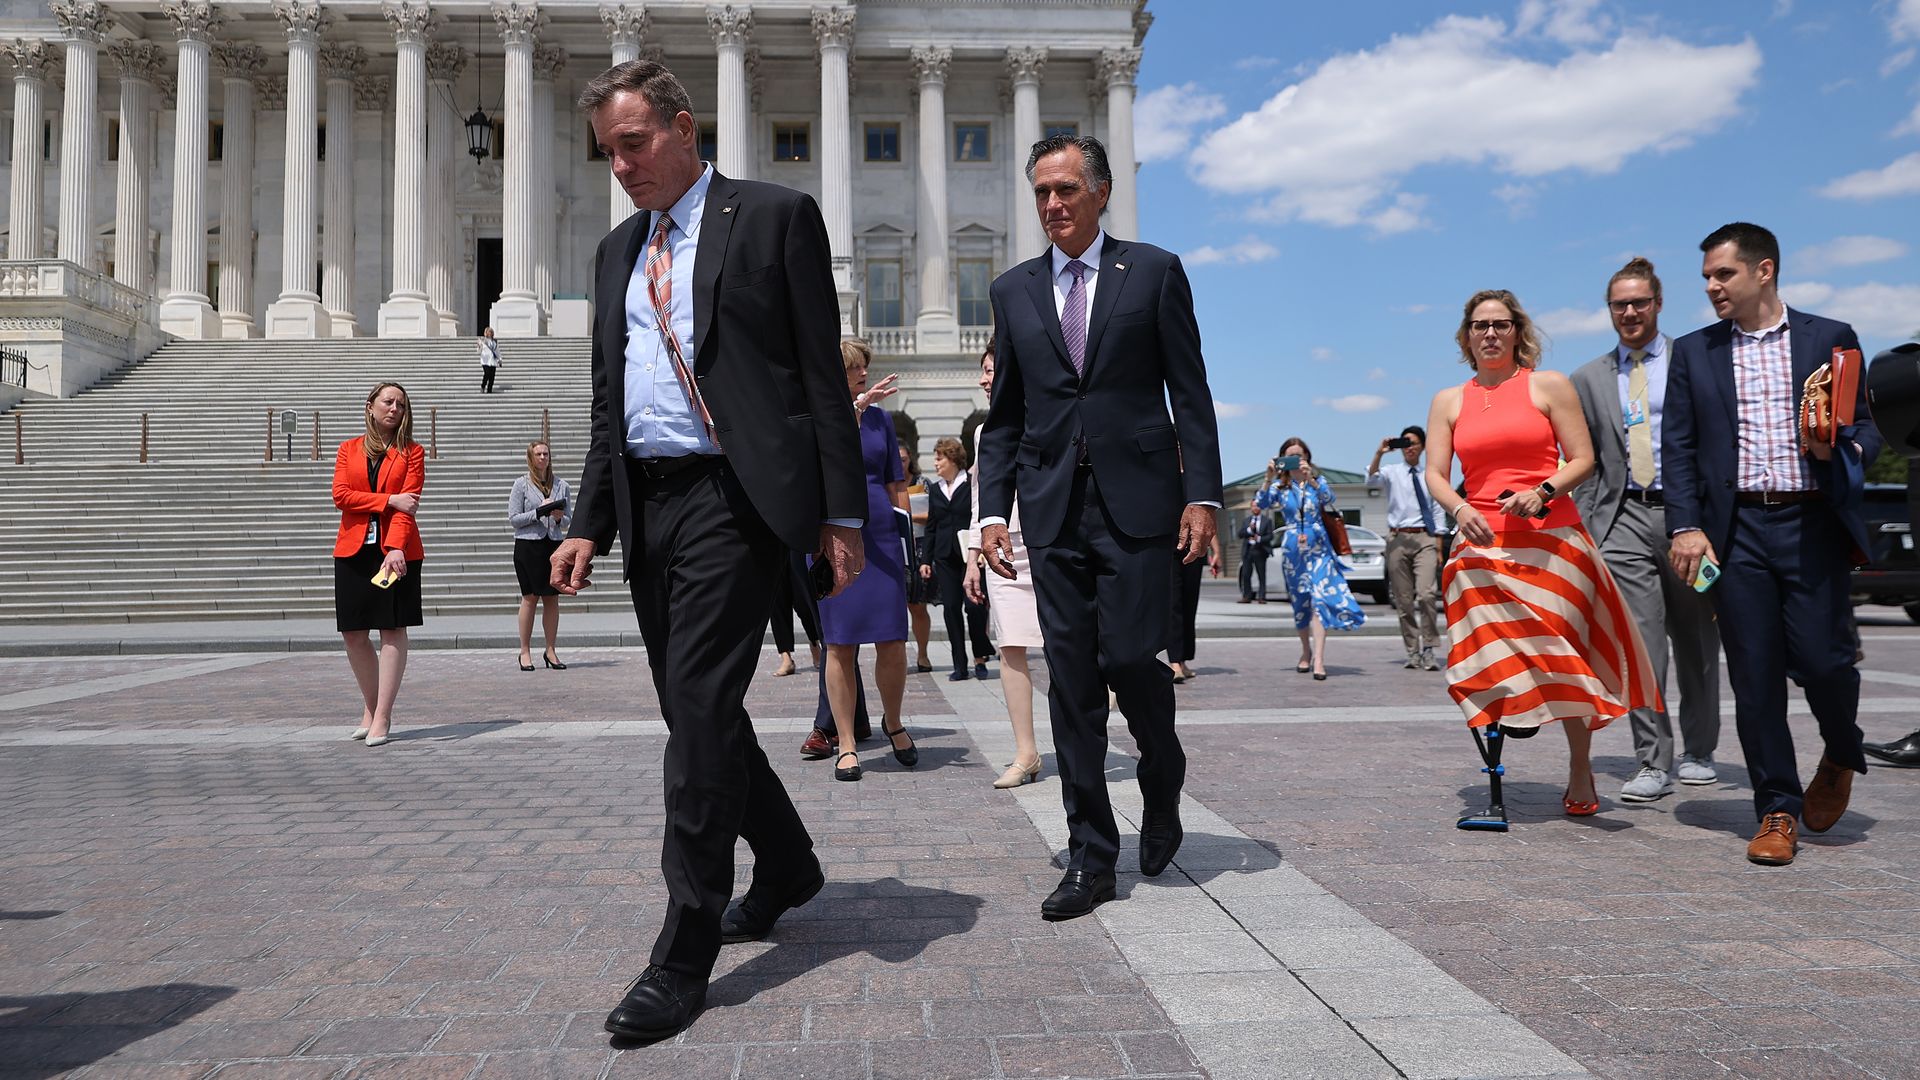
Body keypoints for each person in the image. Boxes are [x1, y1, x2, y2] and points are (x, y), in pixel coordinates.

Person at [552, 60, 866, 1042]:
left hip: (739, 497)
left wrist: (842, 514)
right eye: (609, 151)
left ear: (685, 128)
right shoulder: (614, 253)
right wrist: (587, 520)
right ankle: (786, 861)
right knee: (700, 712)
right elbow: (612, 403)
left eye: (635, 143)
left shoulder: (773, 216)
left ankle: (682, 950)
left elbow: (820, 373)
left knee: (694, 718)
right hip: (651, 506)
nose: (622, 165)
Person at [979, 133, 1222, 922]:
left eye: (1066, 190)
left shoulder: (1151, 271)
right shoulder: (1012, 290)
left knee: (1128, 656)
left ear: (1100, 192)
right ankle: (1091, 856)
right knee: (1073, 681)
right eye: (1042, 192)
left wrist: (1202, 494)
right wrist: (991, 508)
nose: (1053, 204)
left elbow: (1190, 390)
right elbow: (1006, 413)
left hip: (1141, 502)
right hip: (1050, 508)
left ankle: (1162, 770)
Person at [1664, 222, 1882, 866]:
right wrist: (1685, 524)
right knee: (1756, 681)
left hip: (1812, 525)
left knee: (1825, 663)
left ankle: (1842, 750)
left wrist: (1838, 445)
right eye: (1706, 276)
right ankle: (1777, 809)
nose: (1710, 287)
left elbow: (1867, 429)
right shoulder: (1695, 352)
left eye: (1722, 274)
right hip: (1735, 535)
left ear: (1764, 271)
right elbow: (1677, 447)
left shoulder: (1829, 337)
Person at [1424, 289, 1659, 822]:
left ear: (1518, 332)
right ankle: (1509, 722)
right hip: (1481, 542)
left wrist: (1544, 490)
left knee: (1564, 654)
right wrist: (1460, 509)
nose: (1490, 334)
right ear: (1465, 336)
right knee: (1482, 652)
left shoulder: (1546, 386)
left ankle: (1580, 764)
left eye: (1501, 325)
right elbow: (1435, 474)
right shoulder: (1449, 399)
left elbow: (1585, 458)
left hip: (1553, 540)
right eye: (1479, 325)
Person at [1569, 257, 1723, 803]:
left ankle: (1700, 750)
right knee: (1641, 645)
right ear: (1609, 310)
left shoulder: (1696, 359)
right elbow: (1582, 459)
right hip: (1622, 518)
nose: (1630, 312)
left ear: (1658, 304)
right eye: (1620, 304)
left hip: (1689, 518)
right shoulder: (1587, 378)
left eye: (1639, 302)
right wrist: (1591, 526)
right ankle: (1652, 759)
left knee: (1697, 640)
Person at [813, 338, 917, 780]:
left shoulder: (882, 420)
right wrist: (853, 410)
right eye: (857, 367)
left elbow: (897, 483)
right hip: (833, 533)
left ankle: (892, 721)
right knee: (839, 642)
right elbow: (826, 456)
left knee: (892, 640)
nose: (864, 373)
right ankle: (848, 743)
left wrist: (911, 541)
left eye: (865, 366)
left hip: (882, 536)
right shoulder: (820, 415)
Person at [963, 343, 1046, 789]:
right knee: (1011, 647)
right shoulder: (983, 432)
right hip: (1003, 551)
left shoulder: (1048, 415)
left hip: (1050, 547)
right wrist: (973, 557)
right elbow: (981, 499)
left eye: (990, 370)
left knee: (1063, 648)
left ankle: (1077, 742)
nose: (983, 379)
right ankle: (1026, 752)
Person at [331, 381, 425, 749]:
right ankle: (371, 708)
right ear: (370, 406)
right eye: (388, 402)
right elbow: (341, 496)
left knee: (391, 628)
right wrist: (389, 500)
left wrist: (395, 548)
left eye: (401, 404)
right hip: (353, 548)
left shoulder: (412, 452)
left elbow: (410, 506)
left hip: (396, 551)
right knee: (353, 633)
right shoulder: (347, 449)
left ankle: (382, 715)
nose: (394, 409)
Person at [1258, 438, 1364, 680]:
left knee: (1319, 600)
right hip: (1294, 550)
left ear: (1308, 457)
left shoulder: (1318, 483)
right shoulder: (1279, 487)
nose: (1296, 460)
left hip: (1319, 548)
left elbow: (1329, 499)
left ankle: (1319, 658)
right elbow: (1261, 503)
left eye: (1300, 455)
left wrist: (1312, 480)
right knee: (1301, 604)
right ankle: (1305, 650)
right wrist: (1268, 477)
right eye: (1290, 456)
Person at [1366, 426, 1444, 670]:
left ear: (1422, 447)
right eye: (1405, 443)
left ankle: (1429, 648)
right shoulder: (1391, 472)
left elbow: (1438, 508)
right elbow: (1370, 479)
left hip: (1425, 537)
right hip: (1398, 539)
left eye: (1415, 443)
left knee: (1427, 594)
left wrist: (1439, 544)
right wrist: (1380, 453)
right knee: (1403, 600)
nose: (1410, 447)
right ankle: (1412, 651)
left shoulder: (1430, 474)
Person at [926, 436, 993, 681]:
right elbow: (931, 526)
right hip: (944, 557)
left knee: (975, 608)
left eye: (939, 458)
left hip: (971, 557)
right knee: (951, 609)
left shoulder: (972, 484)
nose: (935, 463)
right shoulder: (935, 489)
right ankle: (959, 664)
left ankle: (980, 657)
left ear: (952, 458)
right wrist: (926, 560)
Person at [507, 441, 572, 671]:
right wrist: (538, 512)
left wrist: (556, 515)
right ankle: (524, 651)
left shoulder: (562, 485)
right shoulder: (521, 485)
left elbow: (568, 519)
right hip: (528, 546)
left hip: (553, 545)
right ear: (531, 458)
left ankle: (551, 650)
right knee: (530, 597)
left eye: (546, 454)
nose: (543, 457)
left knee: (552, 598)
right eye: (538, 454)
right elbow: (514, 518)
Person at [1167, 526, 1223, 683]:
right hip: (1168, 549)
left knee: (1189, 605)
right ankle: (1175, 662)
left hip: (1194, 548)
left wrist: (1216, 551)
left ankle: (1183, 660)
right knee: (1174, 604)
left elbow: (1206, 516)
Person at [901, 443, 937, 673]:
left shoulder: (922, 483)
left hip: (919, 547)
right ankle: (897, 657)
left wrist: (909, 516)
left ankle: (923, 654)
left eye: (903, 459)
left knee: (917, 605)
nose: (900, 463)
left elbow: (935, 513)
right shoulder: (887, 484)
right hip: (895, 546)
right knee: (896, 606)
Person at [767, 553, 822, 678]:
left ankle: (814, 643)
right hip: (771, 541)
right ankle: (786, 657)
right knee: (777, 600)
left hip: (795, 543)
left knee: (803, 600)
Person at [1236, 500, 1274, 604]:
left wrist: (1259, 539)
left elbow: (1270, 536)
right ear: (1251, 508)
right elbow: (1240, 534)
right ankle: (1247, 596)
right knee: (1246, 574)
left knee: (1261, 575)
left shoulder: (1267, 521)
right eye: (1253, 506)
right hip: (1248, 551)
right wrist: (1249, 529)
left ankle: (1262, 597)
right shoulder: (1246, 520)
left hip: (1260, 550)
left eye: (1257, 506)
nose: (1255, 508)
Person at [478, 327, 500, 393]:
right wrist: (479, 346)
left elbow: (497, 351)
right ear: (486, 333)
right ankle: (483, 386)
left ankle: (489, 389)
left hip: (493, 361)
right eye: (488, 332)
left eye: (491, 332)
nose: (490, 333)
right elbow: (479, 351)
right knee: (487, 373)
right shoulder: (483, 341)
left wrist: (500, 359)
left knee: (492, 376)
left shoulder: (495, 342)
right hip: (485, 361)